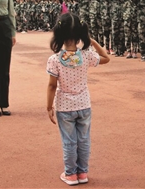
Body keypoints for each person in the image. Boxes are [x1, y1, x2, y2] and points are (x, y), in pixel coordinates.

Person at [46, 13, 110, 185]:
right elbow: (106, 58)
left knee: (69, 142)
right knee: (83, 140)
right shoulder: (86, 55)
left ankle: (71, 174)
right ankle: (83, 173)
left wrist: (48, 107)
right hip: (84, 105)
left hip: (64, 107)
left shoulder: (54, 59)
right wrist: (92, 41)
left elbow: (52, 86)